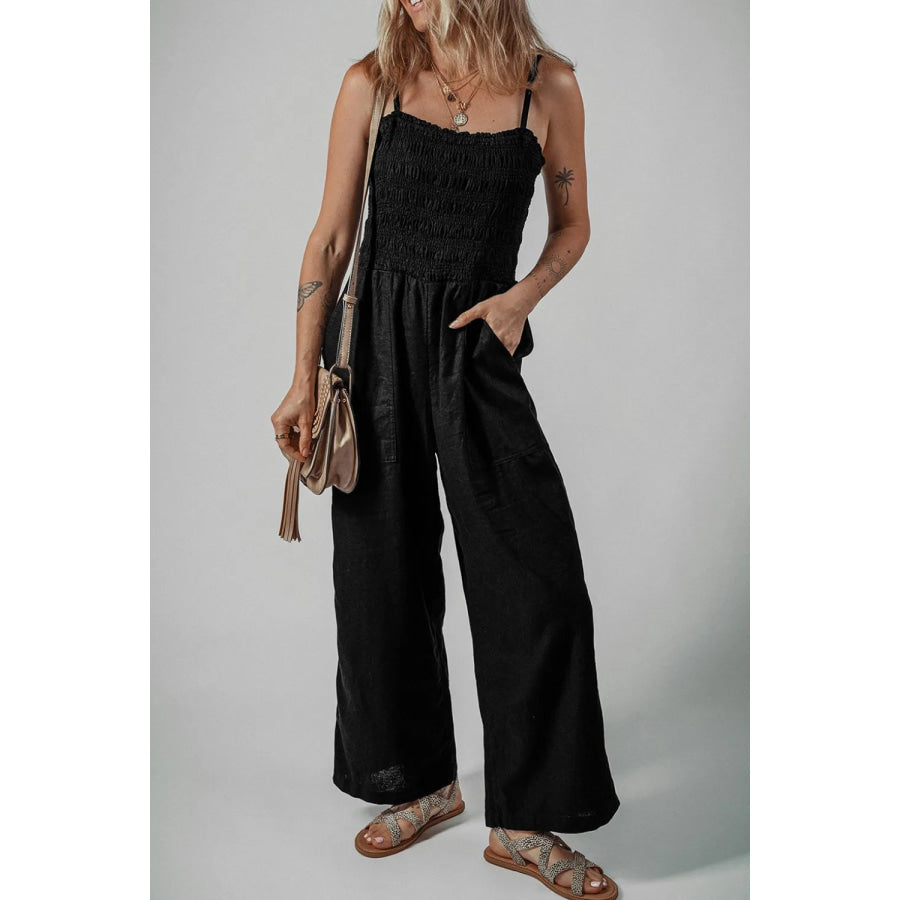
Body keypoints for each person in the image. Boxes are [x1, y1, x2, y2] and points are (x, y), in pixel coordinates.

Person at [271, 1, 620, 896]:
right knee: (380, 579)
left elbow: (573, 227)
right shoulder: (373, 83)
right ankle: (421, 781)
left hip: (476, 347)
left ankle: (524, 821)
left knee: (538, 584)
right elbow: (331, 237)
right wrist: (305, 376)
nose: (410, 1)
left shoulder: (548, 86)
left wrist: (520, 300)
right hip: (375, 351)